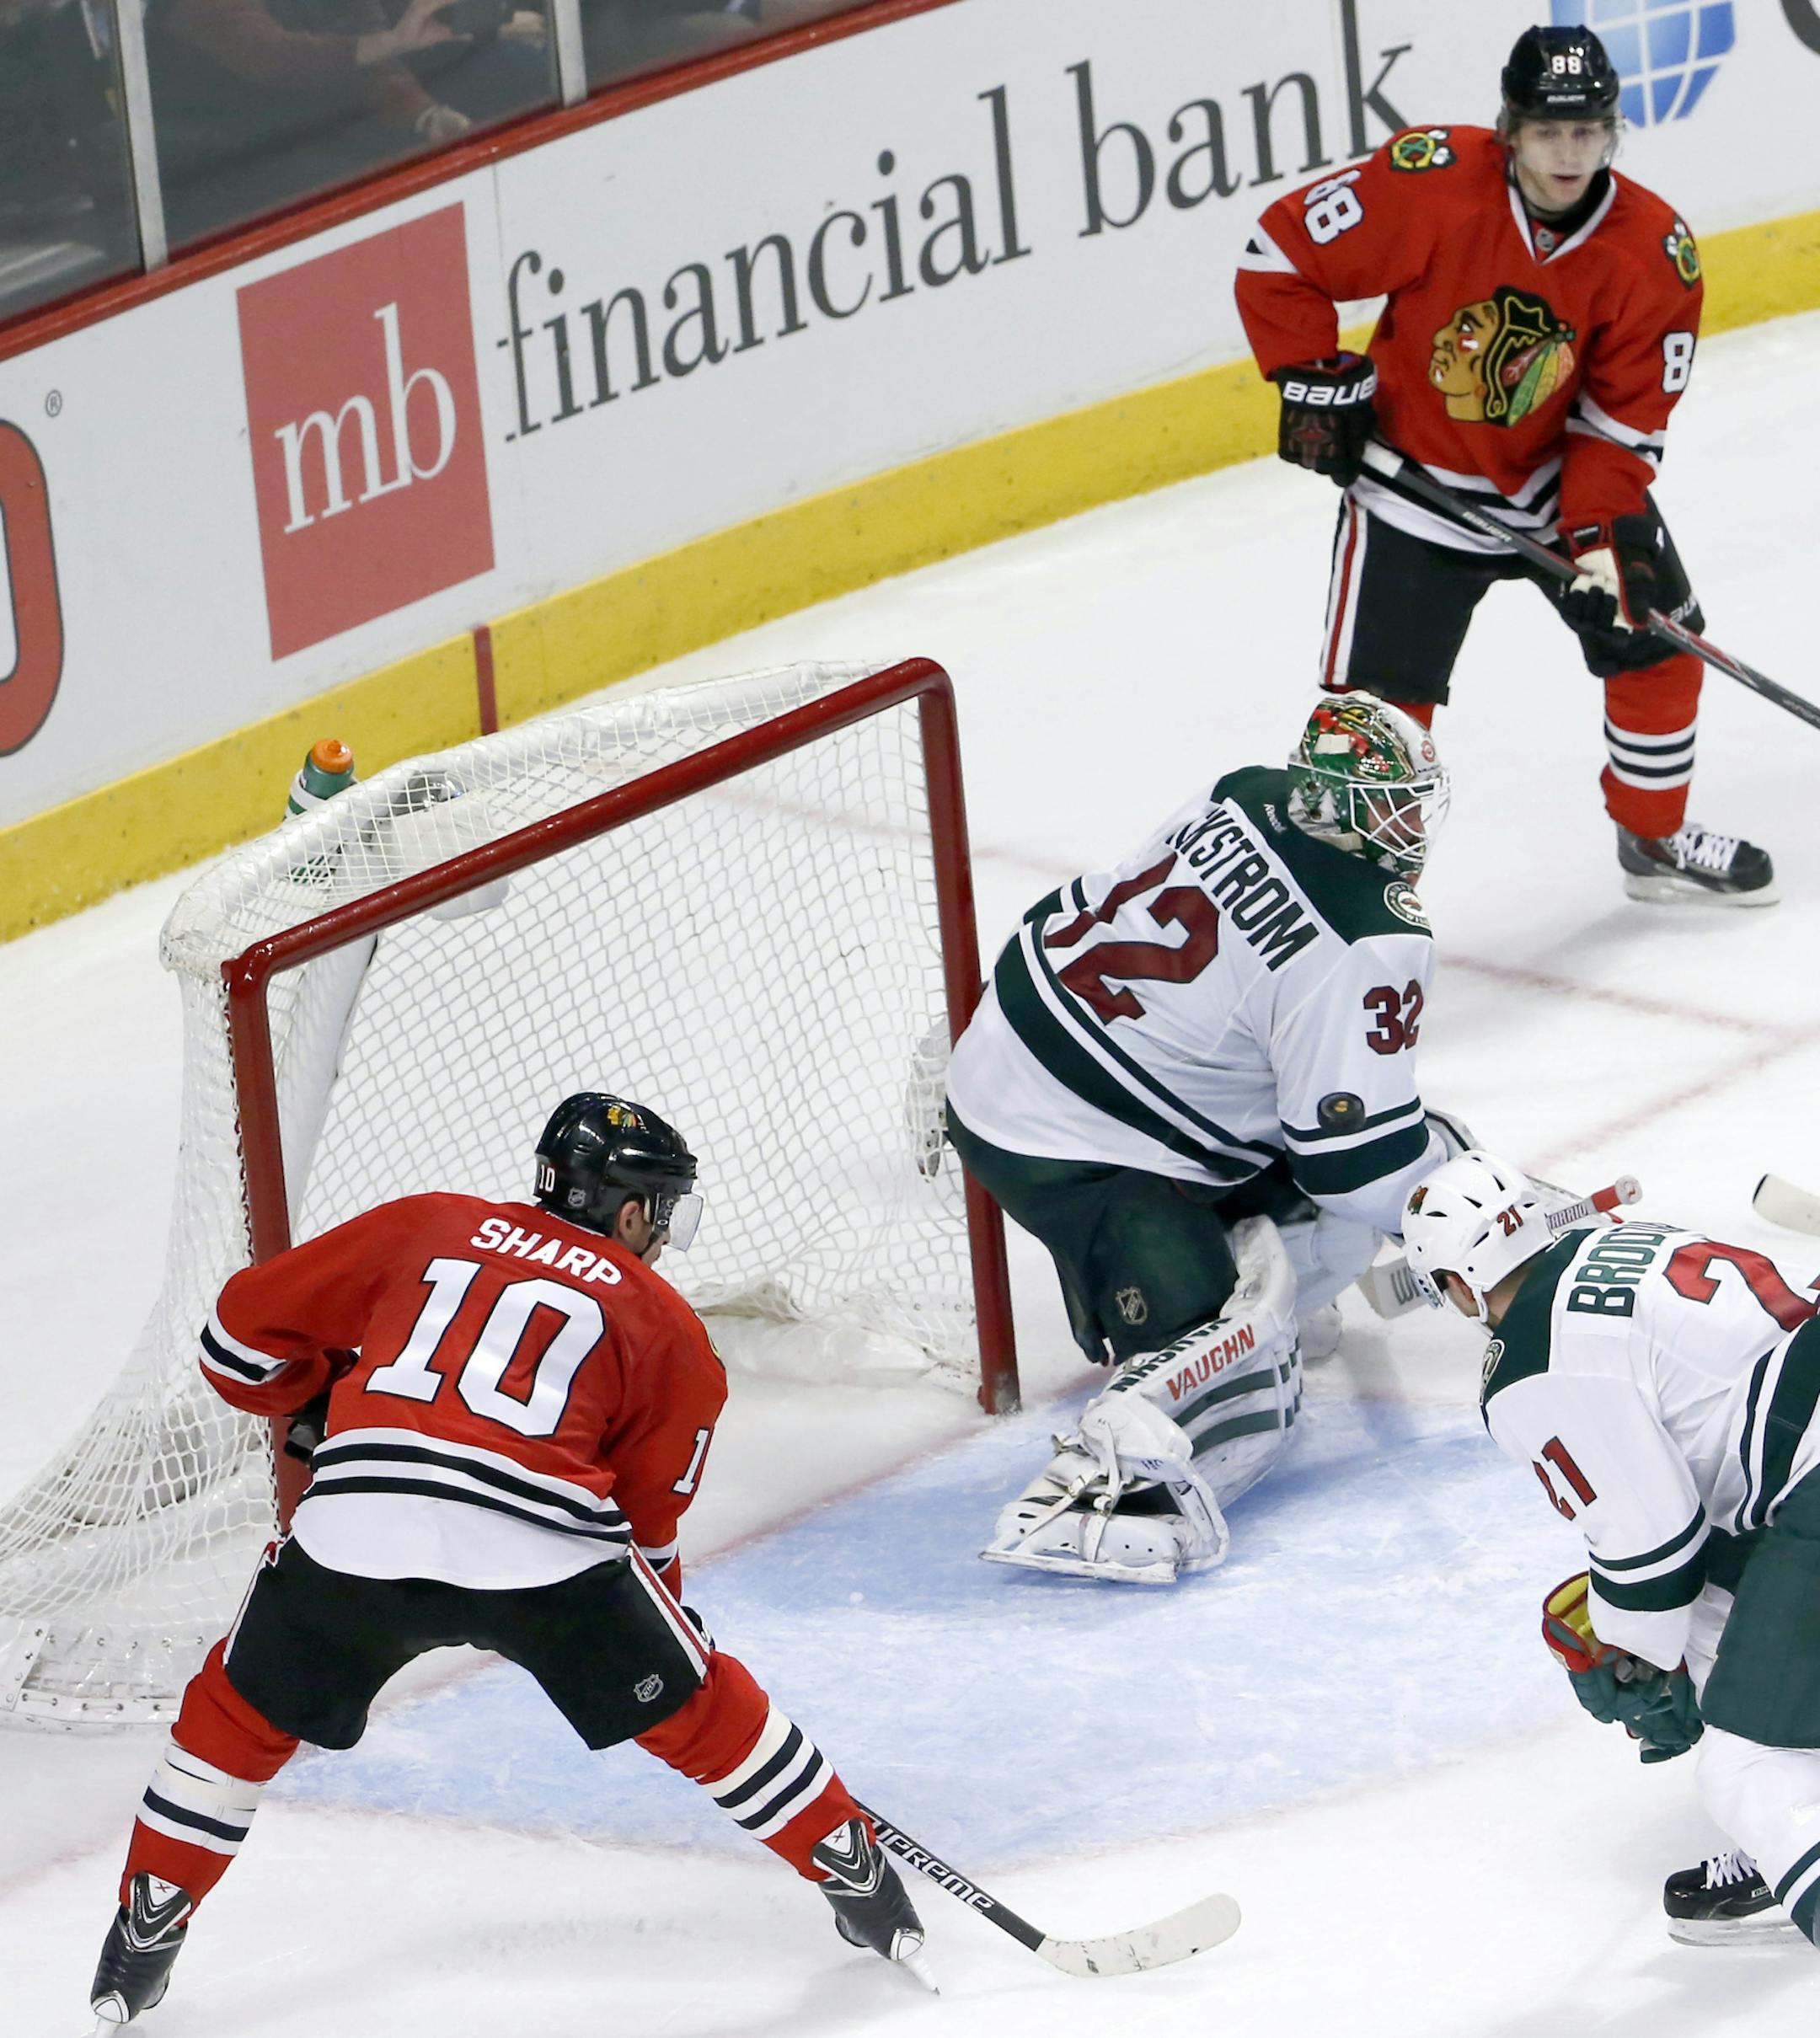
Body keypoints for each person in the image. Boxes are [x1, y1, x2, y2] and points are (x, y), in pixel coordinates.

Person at [86, 1093, 931, 2029]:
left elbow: (235, 1341)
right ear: (634, 1211)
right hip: (543, 1555)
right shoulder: (670, 1328)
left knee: (237, 1715)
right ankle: (853, 1867)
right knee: (703, 1710)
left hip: (361, 1523)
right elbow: (646, 1527)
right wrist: (667, 1648)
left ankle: (146, 1923)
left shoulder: (429, 1222)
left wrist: (318, 1394)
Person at [1234, 22, 1774, 907]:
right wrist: (1313, 378)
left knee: (1660, 653)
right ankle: (1348, 908)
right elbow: (1280, 257)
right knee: (1377, 720)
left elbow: (1619, 420)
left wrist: (1607, 540)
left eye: (1589, 131)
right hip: (1414, 487)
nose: (1569, 153)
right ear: (1510, 129)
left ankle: (1654, 835)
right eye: (1549, 132)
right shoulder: (1432, 184)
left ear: (1613, 131)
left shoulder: (1652, 253)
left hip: (1559, 490)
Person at [944, 693, 1471, 1586]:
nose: (1413, 823)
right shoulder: (1371, 933)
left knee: (1394, 1151)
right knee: (1227, 1317)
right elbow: (1357, 1167)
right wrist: (1467, 1218)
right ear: (1346, 803)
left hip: (1015, 1031)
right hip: (1062, 1134)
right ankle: (1110, 1479)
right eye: (1396, 801)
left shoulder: (1248, 790)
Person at [1401, 1149, 1820, 1947]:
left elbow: (1654, 1547)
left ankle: (1793, 1822)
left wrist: (1633, 1655)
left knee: (1747, 1768)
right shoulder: (1632, 1240)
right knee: (1714, 1603)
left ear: (1458, 1286)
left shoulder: (1530, 1355)